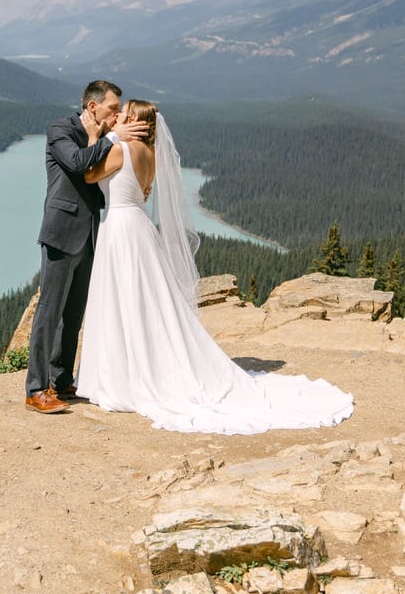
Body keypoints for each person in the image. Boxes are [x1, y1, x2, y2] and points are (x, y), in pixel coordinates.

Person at [77, 99, 355, 433]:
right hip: (139, 229)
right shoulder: (150, 155)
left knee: (123, 301)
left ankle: (123, 374)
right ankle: (142, 366)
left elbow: (90, 174)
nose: (118, 115)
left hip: (121, 230)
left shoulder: (120, 149)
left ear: (134, 121)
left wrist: (96, 136)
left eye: (124, 113)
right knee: (146, 301)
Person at [23, 80, 147, 413]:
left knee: (73, 315)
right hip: (61, 233)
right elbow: (78, 164)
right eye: (113, 109)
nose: (118, 114)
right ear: (93, 107)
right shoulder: (60, 130)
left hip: (92, 235)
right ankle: (35, 389)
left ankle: (61, 381)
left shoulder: (105, 139)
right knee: (49, 312)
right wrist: (111, 138)